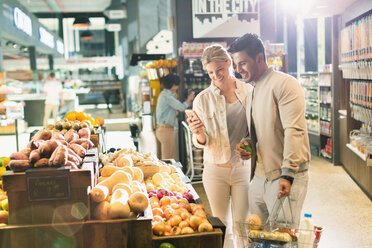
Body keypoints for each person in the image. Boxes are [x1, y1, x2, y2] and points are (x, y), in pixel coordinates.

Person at [229, 33, 311, 228]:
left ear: (259, 58)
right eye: (236, 65)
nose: (238, 70)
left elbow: (294, 130)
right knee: (259, 235)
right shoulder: (253, 91)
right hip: (259, 176)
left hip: (284, 176)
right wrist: (246, 145)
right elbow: (255, 134)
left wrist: (288, 174)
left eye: (243, 63)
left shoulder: (285, 84)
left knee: (283, 236)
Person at [187, 44, 253, 248]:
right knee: (223, 227)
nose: (216, 76)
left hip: (243, 169)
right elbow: (201, 143)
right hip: (215, 170)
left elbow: (256, 132)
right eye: (211, 73)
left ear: (229, 63)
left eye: (220, 70)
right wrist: (198, 133)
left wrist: (248, 148)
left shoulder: (249, 91)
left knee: (244, 226)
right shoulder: (202, 99)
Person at [155, 74, 194, 159]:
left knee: (163, 158)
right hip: (166, 130)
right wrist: (189, 98)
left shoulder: (164, 94)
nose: (177, 87)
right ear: (173, 85)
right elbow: (181, 107)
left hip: (161, 129)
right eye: (177, 85)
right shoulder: (167, 96)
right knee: (168, 158)